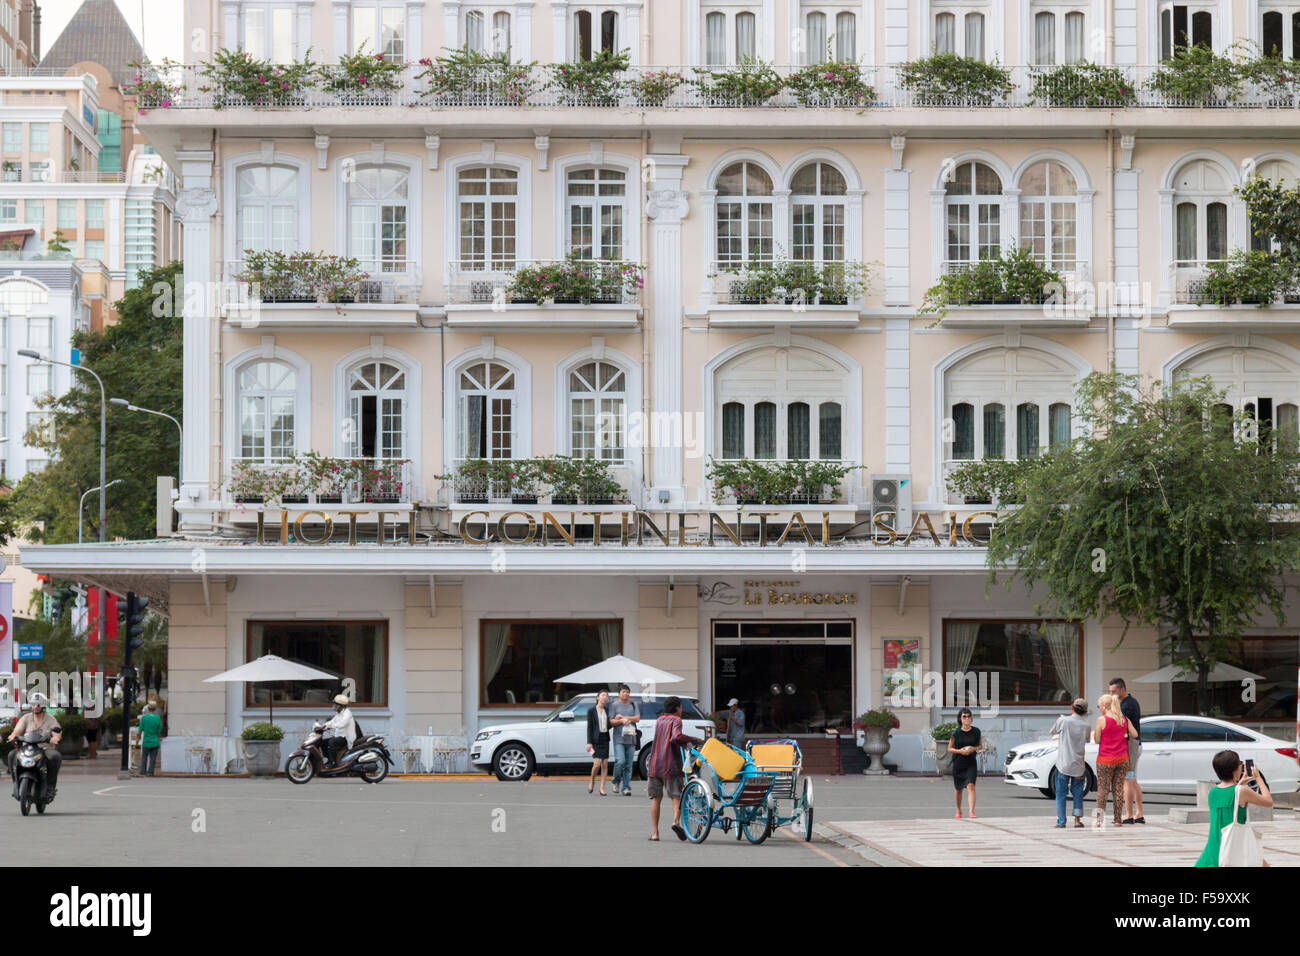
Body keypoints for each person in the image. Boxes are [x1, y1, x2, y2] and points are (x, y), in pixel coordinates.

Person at [1195, 750, 1273, 867]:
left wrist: (1240, 783)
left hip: (1213, 849)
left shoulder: (1213, 792)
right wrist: (1258, 778)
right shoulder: (1242, 791)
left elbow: (1231, 798)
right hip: (1234, 848)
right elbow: (1268, 801)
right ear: (1235, 769)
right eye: (1239, 763)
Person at [647, 696, 704, 842]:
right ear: (677, 708)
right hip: (670, 763)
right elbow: (676, 737)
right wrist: (693, 739)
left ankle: (655, 833)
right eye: (681, 707)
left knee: (655, 798)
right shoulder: (676, 720)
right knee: (676, 795)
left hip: (654, 763)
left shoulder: (659, 720)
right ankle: (675, 822)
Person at [1092, 693, 1137, 827]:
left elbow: (1097, 740)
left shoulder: (1102, 720)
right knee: (1118, 789)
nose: (1099, 708)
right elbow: (1135, 734)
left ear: (1105, 706)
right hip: (1122, 759)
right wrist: (1124, 734)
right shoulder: (1123, 719)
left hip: (1105, 759)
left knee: (1103, 790)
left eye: (1099, 706)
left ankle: (1099, 820)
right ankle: (1118, 820)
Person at [6, 693, 63, 797]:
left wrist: (55, 738)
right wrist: (13, 736)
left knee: (55, 756)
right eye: (33, 704)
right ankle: (16, 782)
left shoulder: (50, 719)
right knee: (11, 755)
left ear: (43, 706)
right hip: (27, 749)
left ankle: (50, 786)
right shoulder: (26, 718)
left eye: (38, 704)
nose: (36, 707)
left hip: (44, 749)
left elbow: (57, 733)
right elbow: (17, 730)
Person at [1109, 677, 1145, 824]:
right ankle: (1139, 814)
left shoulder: (1126, 705)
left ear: (1122, 689)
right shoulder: (1130, 702)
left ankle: (1129, 815)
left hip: (1130, 744)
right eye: (1110, 692)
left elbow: (1120, 725)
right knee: (1133, 780)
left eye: (1114, 691)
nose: (1111, 695)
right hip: (1134, 744)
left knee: (1128, 780)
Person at [1051, 698, 1091, 828]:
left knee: (1061, 794)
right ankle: (1077, 821)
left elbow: (1053, 731)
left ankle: (1061, 821)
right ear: (1085, 711)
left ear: (1071, 707)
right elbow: (1087, 740)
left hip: (1063, 764)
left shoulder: (1063, 720)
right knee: (1078, 793)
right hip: (1078, 764)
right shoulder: (1087, 725)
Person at [947, 706, 982, 819]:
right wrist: (960, 751)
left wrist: (973, 748)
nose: (966, 718)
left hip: (971, 762)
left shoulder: (976, 731)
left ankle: (971, 811)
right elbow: (949, 748)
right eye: (964, 716)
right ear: (960, 719)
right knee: (958, 789)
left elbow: (980, 746)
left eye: (968, 716)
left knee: (971, 785)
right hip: (958, 763)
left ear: (971, 718)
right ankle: (958, 810)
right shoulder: (956, 732)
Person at [607, 684, 640, 796]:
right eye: (623, 692)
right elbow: (611, 721)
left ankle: (626, 787)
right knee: (620, 761)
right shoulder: (614, 705)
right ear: (619, 694)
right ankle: (616, 781)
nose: (625, 693)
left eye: (627, 691)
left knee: (628, 765)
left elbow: (637, 718)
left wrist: (625, 718)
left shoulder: (633, 704)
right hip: (619, 739)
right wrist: (620, 721)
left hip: (631, 738)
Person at [586, 689, 612, 795]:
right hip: (594, 741)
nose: (605, 697)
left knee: (604, 764)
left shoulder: (607, 710)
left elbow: (609, 726)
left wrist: (616, 720)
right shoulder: (591, 711)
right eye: (603, 695)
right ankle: (592, 780)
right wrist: (589, 742)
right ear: (598, 697)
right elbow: (589, 727)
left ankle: (602, 788)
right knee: (596, 764)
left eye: (606, 696)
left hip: (605, 739)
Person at [322, 693, 356, 767]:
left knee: (332, 743)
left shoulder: (347, 713)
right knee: (323, 743)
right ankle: (329, 759)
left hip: (346, 738)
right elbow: (333, 721)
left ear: (341, 705)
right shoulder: (340, 713)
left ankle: (333, 763)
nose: (334, 706)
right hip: (339, 736)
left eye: (336, 704)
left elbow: (342, 724)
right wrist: (323, 726)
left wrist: (330, 727)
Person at [137, 703, 163, 776]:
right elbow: (159, 731)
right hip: (155, 741)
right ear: (154, 709)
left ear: (148, 709)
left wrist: (137, 740)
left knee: (144, 757)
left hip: (146, 741)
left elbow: (140, 730)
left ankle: (143, 771)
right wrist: (158, 739)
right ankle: (150, 772)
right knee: (153, 758)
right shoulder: (157, 718)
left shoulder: (144, 718)